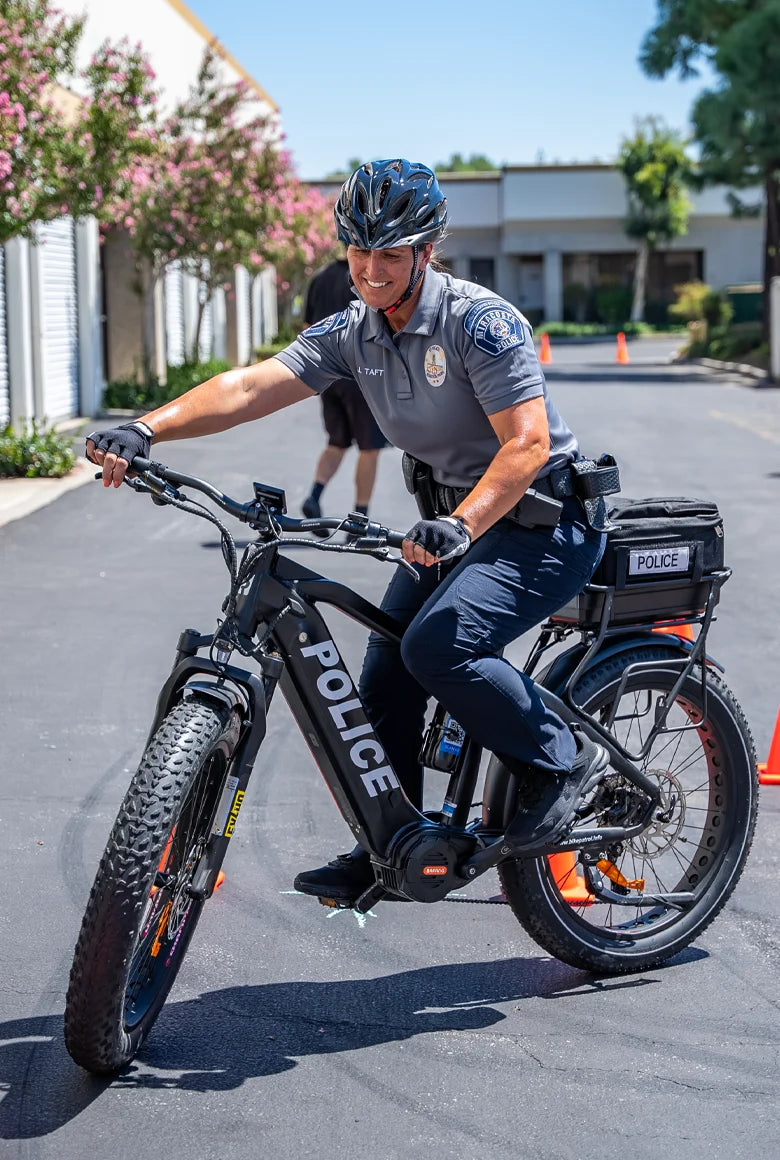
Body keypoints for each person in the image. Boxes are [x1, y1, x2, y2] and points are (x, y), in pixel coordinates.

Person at [87, 158, 614, 907]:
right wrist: (146, 428)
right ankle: (390, 847)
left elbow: (525, 445)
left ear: (426, 252)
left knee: (440, 645)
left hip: (544, 522)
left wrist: (459, 526)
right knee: (385, 667)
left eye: (391, 254)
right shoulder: (352, 332)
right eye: (359, 251)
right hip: (454, 522)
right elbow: (249, 386)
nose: (370, 269)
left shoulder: (479, 322)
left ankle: (562, 761)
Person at [301, 250, 387, 525]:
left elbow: (307, 328)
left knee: (336, 443)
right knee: (369, 449)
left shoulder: (320, 278)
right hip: (362, 375)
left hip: (327, 377)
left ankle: (314, 495)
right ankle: (360, 517)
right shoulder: (369, 279)